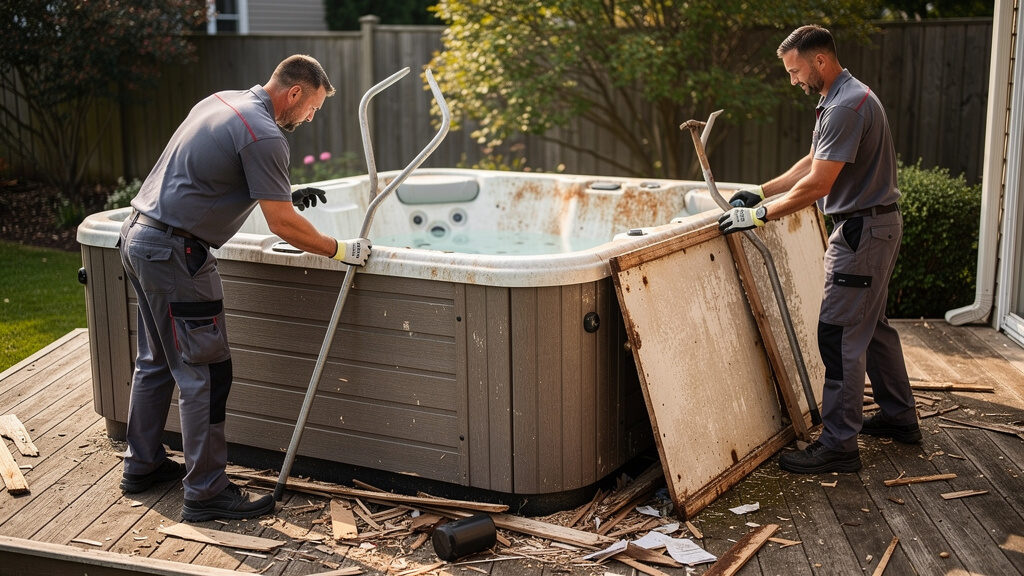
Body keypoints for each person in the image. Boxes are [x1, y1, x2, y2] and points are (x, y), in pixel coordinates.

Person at [116, 54, 371, 521]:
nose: (311, 117)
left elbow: (204, 177)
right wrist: (339, 249)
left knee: (156, 361)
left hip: (139, 237)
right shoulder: (265, 133)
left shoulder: (222, 102)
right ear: (294, 93)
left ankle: (143, 465)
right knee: (206, 375)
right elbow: (283, 227)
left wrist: (283, 193)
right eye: (312, 107)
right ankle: (207, 493)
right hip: (177, 255)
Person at [717, 25, 921, 474]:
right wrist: (759, 191)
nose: (793, 80)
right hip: (875, 227)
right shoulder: (844, 97)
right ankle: (900, 417)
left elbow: (819, 184)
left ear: (820, 61)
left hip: (861, 233)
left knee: (839, 334)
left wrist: (761, 215)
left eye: (795, 71)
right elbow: (812, 161)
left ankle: (839, 445)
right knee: (874, 326)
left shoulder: (846, 106)